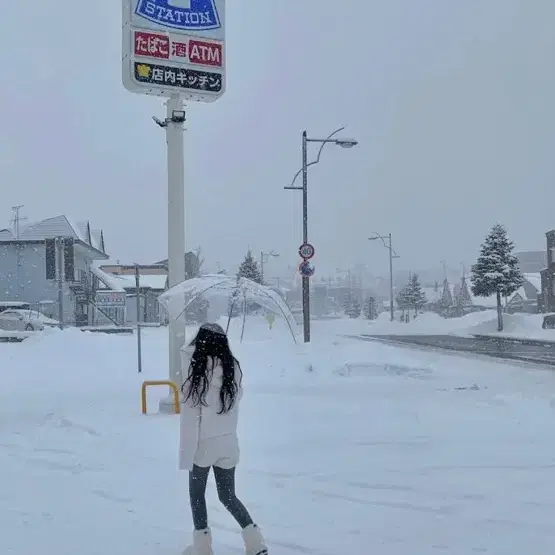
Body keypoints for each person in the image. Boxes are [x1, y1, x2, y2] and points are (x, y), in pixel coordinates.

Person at [180, 323, 268, 555]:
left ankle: (202, 548)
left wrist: (186, 454)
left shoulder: (198, 372)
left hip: (204, 444)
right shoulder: (233, 369)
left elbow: (190, 418)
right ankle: (255, 543)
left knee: (197, 495)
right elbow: (236, 398)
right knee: (228, 496)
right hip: (229, 443)